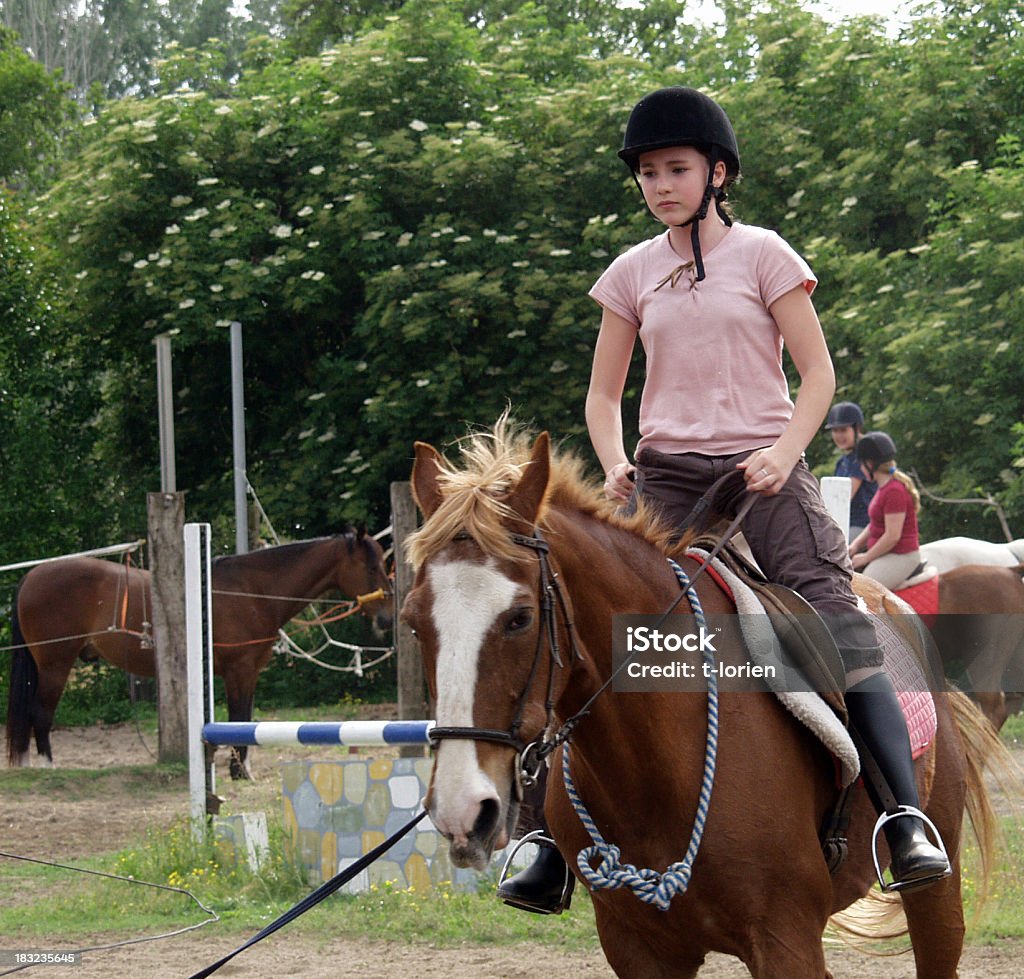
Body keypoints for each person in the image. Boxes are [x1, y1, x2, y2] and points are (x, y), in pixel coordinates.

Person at [497, 86, 949, 914]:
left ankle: (902, 817)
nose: (660, 184)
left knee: (836, 618)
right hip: (665, 482)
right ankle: (542, 841)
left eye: (676, 168)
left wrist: (782, 454)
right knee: (590, 629)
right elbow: (603, 398)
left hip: (764, 475)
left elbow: (819, 376)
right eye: (647, 172)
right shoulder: (631, 272)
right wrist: (614, 462)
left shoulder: (767, 254)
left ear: (717, 172)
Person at [849, 431, 922, 589]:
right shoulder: (884, 488)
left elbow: (892, 536)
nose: (860, 468)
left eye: (861, 463)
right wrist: (855, 546)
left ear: (870, 463)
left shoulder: (894, 491)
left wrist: (866, 557)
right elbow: (874, 524)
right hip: (887, 553)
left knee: (862, 591)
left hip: (901, 556)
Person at [825, 400, 877, 541]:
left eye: (843, 430)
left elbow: (844, 496)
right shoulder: (842, 462)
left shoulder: (863, 455)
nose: (839, 436)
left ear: (857, 428)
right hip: (845, 522)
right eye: (835, 431)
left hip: (862, 525)